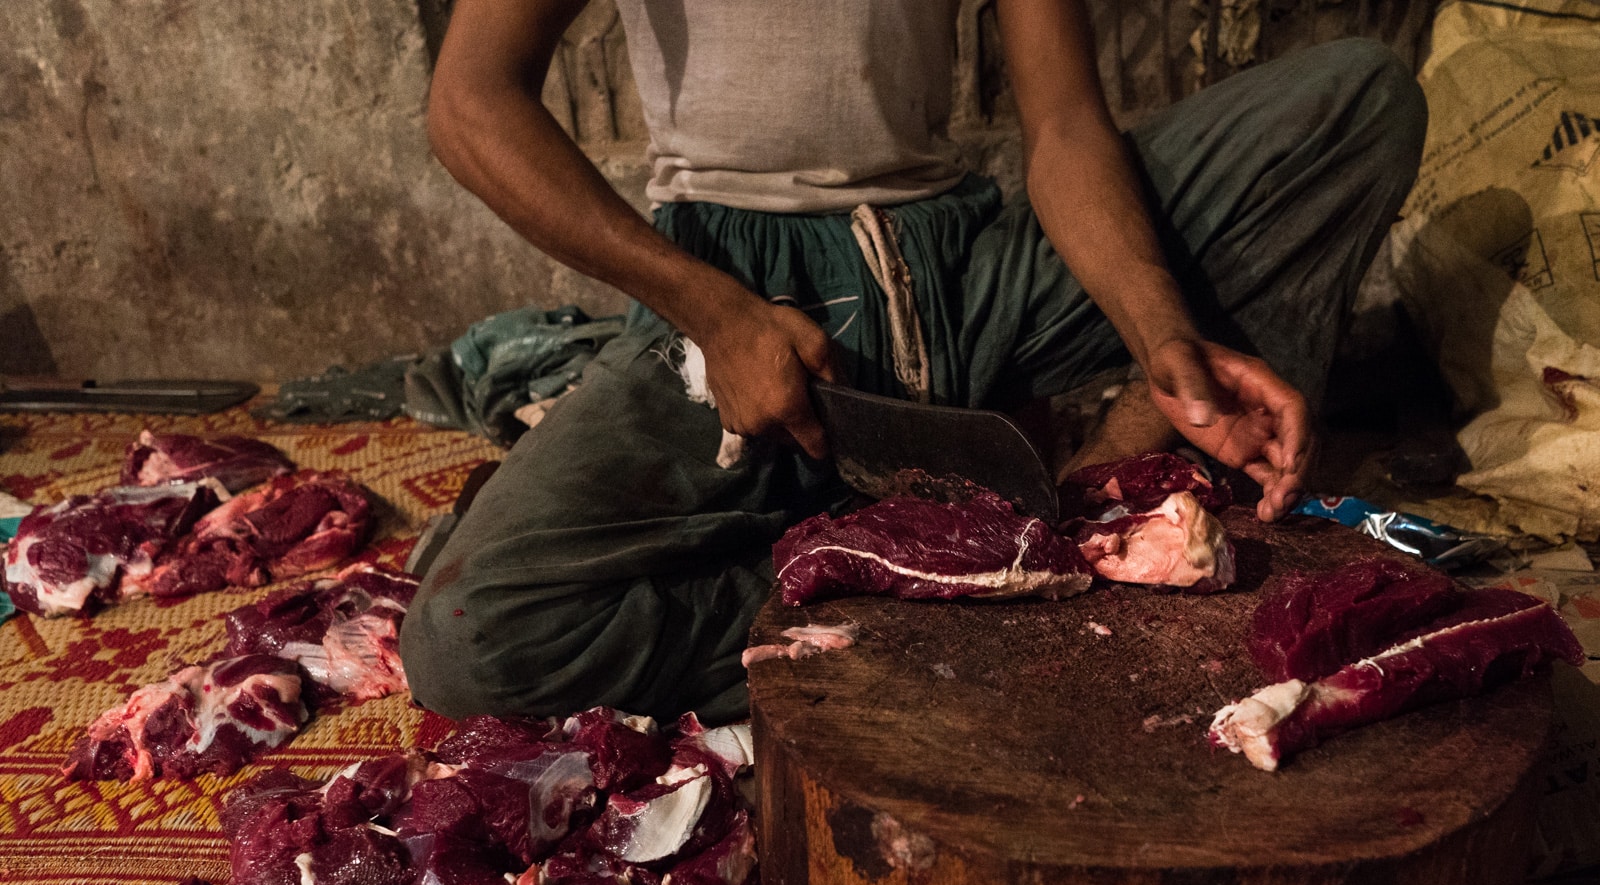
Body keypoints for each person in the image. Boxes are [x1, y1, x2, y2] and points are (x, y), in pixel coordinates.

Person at [401, 0, 1427, 725]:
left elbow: (1065, 125)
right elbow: (471, 106)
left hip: (961, 276)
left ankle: (1136, 487)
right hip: (731, 301)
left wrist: (1159, 334)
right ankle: (937, 570)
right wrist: (712, 309)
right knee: (467, 637)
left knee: (1356, 99)